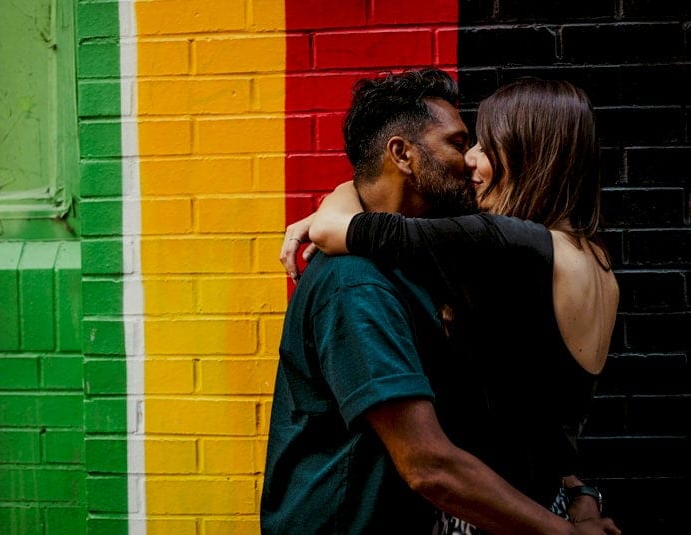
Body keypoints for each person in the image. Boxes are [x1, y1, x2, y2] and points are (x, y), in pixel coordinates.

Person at [262, 68, 620, 534]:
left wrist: (335, 203)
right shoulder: (587, 257)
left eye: (482, 146)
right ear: (403, 154)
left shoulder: (510, 246)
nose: (470, 160)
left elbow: (349, 228)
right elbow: (511, 424)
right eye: (459, 143)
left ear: (525, 156)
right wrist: (575, 502)